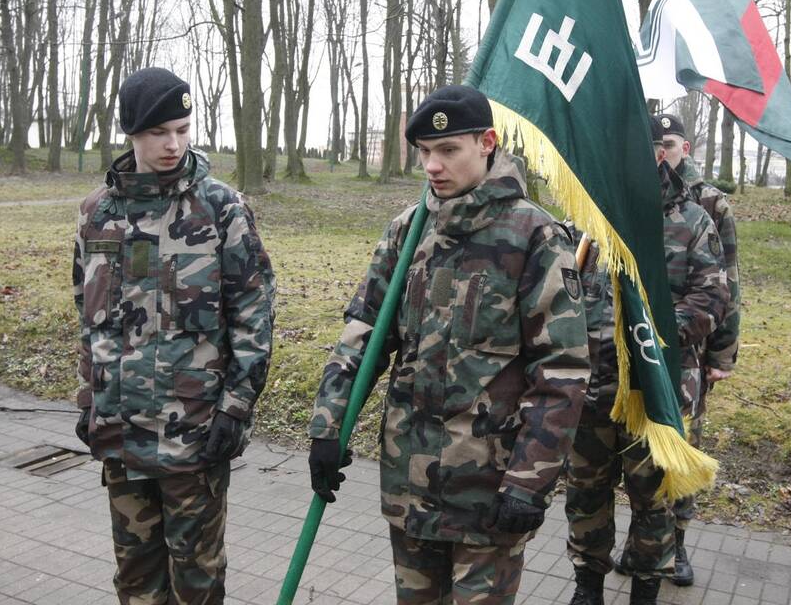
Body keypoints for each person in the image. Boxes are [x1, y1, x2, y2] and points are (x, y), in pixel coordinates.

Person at [308, 84, 590, 605]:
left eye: (448, 150)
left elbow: (563, 370)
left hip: (489, 489)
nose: (432, 166)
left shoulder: (534, 236)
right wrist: (329, 425)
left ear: (487, 142)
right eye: (424, 153)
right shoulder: (407, 233)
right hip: (410, 481)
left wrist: (530, 479)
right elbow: (363, 333)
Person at [73, 67, 276, 605]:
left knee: (197, 579)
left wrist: (235, 408)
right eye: (159, 132)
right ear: (131, 133)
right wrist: (89, 398)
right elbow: (87, 314)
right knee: (135, 576)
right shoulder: (97, 213)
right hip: (121, 432)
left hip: (192, 430)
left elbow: (254, 313)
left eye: (183, 129)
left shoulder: (219, 208)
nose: (174, 144)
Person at [564, 234, 676, 605]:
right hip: (588, 395)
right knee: (585, 494)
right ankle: (588, 584)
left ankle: (646, 588)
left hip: (648, 401)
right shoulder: (577, 231)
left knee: (652, 499)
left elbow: (711, 297)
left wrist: (651, 343)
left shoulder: (675, 224)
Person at [654, 113, 739, 586]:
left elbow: (730, 283)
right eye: (656, 142)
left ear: (684, 147)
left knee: (682, 449)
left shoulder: (708, 203)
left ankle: (678, 544)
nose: (662, 150)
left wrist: (723, 354)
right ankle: (645, 544)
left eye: (669, 142)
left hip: (692, 348)